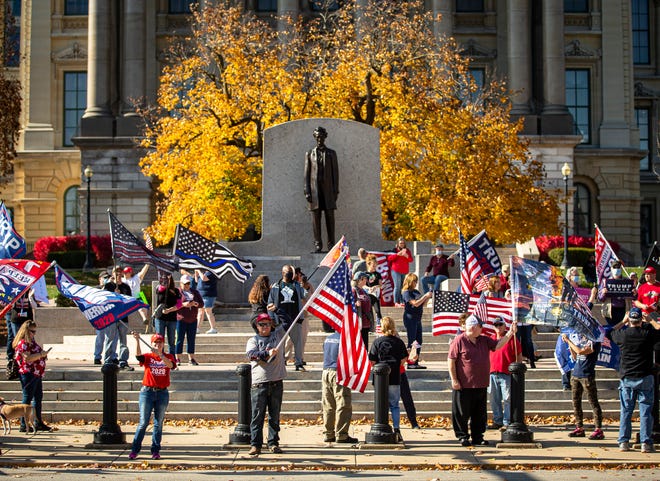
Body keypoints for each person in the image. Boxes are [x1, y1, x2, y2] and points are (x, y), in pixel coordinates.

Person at [448, 314, 517, 447]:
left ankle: (478, 436)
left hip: (481, 383)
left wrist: (510, 333)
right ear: (473, 327)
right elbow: (451, 360)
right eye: (480, 326)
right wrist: (454, 379)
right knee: (461, 413)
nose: (482, 329)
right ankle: (462, 436)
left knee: (479, 414)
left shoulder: (484, 340)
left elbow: (497, 346)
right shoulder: (459, 341)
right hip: (464, 385)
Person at [609, 307, 660, 452]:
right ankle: (645, 442)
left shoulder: (623, 335)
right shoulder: (647, 334)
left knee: (626, 411)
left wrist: (622, 321)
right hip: (645, 376)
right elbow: (659, 330)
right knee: (645, 412)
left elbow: (610, 332)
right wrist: (650, 320)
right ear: (640, 320)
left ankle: (624, 441)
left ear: (630, 320)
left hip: (627, 377)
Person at [246, 312, 291, 456]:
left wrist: (277, 309)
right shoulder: (253, 340)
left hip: (276, 381)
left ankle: (273, 443)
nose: (265, 327)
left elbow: (288, 320)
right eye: (261, 324)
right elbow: (251, 354)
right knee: (257, 416)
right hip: (259, 383)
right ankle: (255, 444)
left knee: (274, 415)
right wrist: (267, 353)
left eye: (267, 323)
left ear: (271, 324)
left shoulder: (278, 336)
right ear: (257, 326)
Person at [128, 332, 176, 460]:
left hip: (162, 393)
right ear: (151, 344)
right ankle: (135, 450)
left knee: (158, 423)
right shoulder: (148, 357)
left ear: (163, 344)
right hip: (147, 392)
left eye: (160, 342)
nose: (157, 344)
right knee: (143, 422)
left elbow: (171, 365)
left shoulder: (169, 356)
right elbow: (138, 357)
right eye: (155, 342)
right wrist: (137, 340)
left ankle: (155, 450)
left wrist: (160, 355)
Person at [368, 316, 409, 441]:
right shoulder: (398, 342)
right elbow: (403, 359)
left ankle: (382, 425)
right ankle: (396, 429)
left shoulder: (377, 342)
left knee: (381, 404)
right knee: (394, 405)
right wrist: (395, 365)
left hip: (380, 378)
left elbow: (372, 360)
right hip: (395, 377)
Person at [561, 332, 603, 440]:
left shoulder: (595, 341)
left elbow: (582, 351)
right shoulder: (581, 341)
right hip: (576, 374)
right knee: (576, 402)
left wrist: (569, 341)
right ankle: (579, 427)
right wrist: (570, 345)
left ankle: (598, 429)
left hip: (587, 375)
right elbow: (576, 356)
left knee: (593, 402)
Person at [304, 126, 339, 253]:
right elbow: (306, 174)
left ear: (325, 137)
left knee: (330, 217)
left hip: (328, 191)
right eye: (317, 136)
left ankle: (331, 245)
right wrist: (307, 190)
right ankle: (318, 244)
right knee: (316, 219)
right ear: (315, 137)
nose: (320, 139)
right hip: (315, 191)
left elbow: (335, 173)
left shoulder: (331, 153)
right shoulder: (309, 153)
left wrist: (335, 191)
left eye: (322, 136)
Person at [12, 320, 52, 432]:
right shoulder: (23, 343)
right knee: (27, 398)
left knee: (38, 398)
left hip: (36, 373)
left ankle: (37, 422)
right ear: (26, 331)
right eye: (32, 331)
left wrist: (42, 356)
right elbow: (27, 358)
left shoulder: (31, 342)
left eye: (35, 331)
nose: (34, 334)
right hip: (28, 373)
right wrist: (41, 355)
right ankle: (24, 424)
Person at [268, 265, 308, 371]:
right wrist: (272, 318)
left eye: (291, 272)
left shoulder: (296, 285)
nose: (289, 273)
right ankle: (281, 363)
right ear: (282, 273)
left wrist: (305, 286)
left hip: (295, 318)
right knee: (280, 343)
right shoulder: (276, 286)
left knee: (297, 343)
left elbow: (305, 296)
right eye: (287, 271)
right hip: (281, 320)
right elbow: (270, 303)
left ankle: (298, 363)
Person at [322, 329, 357, 444]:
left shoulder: (328, 338)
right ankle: (341, 434)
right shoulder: (346, 340)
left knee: (328, 405)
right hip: (339, 372)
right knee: (343, 403)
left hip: (326, 371)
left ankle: (328, 433)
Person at [488, 317, 522, 431]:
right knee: (494, 399)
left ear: (504, 326)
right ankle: (497, 420)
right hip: (492, 373)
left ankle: (507, 422)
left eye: (500, 324)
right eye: (496, 325)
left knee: (507, 398)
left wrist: (517, 368)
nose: (498, 327)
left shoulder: (512, 339)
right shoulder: (491, 340)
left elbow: (519, 355)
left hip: (506, 373)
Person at [103, 266, 134, 370]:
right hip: (112, 317)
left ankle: (123, 360)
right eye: (116, 273)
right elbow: (104, 300)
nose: (119, 276)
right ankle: (108, 359)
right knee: (110, 339)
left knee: (123, 340)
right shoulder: (108, 286)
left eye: (120, 273)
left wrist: (120, 296)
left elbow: (129, 301)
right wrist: (114, 295)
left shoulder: (126, 287)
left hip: (123, 317)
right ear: (113, 274)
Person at [401, 273, 432, 369]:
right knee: (412, 340)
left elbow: (422, 303)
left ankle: (415, 361)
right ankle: (410, 362)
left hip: (417, 318)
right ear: (410, 281)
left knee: (419, 341)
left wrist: (428, 297)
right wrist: (425, 296)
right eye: (414, 281)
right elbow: (415, 303)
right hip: (410, 318)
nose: (416, 283)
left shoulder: (416, 291)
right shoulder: (406, 292)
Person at [171, 275, 203, 365]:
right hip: (181, 318)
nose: (187, 285)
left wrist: (195, 304)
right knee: (179, 339)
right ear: (181, 283)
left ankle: (191, 358)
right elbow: (176, 305)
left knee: (191, 339)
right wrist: (184, 304)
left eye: (188, 283)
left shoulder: (195, 292)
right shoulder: (178, 292)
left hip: (192, 318)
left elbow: (201, 303)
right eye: (185, 284)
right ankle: (178, 358)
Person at [183, 269, 218, 334]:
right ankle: (197, 328)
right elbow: (196, 280)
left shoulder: (211, 273)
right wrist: (196, 273)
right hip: (201, 294)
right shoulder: (203, 273)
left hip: (208, 295)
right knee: (200, 311)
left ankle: (213, 328)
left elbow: (204, 278)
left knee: (208, 311)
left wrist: (199, 271)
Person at [598, 261, 632, 326]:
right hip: (610, 311)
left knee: (623, 328)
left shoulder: (627, 281)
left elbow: (634, 297)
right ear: (611, 269)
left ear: (621, 269)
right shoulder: (605, 281)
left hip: (624, 310)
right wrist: (603, 293)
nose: (616, 269)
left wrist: (634, 293)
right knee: (612, 328)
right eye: (614, 267)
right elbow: (600, 299)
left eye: (618, 267)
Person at [154, 273, 180, 355]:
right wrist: (166, 287)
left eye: (167, 279)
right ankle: (160, 357)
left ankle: (172, 359)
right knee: (159, 339)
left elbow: (179, 304)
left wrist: (169, 310)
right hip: (160, 318)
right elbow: (160, 289)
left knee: (171, 340)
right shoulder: (160, 288)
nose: (165, 280)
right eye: (163, 279)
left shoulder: (176, 291)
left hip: (171, 318)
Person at [388, 238, 413, 306]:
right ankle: (396, 302)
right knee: (397, 286)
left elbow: (411, 260)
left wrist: (406, 256)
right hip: (395, 270)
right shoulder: (395, 250)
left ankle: (402, 301)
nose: (402, 245)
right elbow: (389, 258)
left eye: (403, 243)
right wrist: (397, 254)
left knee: (403, 287)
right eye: (400, 243)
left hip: (404, 271)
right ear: (398, 244)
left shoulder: (407, 251)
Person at [93, 271, 110, 364]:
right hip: (99, 316)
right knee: (100, 337)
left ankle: (111, 356)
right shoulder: (95, 289)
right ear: (100, 279)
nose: (106, 279)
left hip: (109, 316)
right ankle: (97, 356)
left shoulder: (111, 288)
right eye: (105, 278)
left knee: (111, 337)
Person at [352, 271, 372, 348]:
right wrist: (355, 304)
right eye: (365, 279)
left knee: (365, 346)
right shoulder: (353, 291)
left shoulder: (363, 290)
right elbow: (348, 306)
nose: (366, 280)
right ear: (361, 279)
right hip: (358, 323)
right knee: (359, 346)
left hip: (365, 323)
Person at [365, 254, 383, 326]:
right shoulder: (365, 274)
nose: (374, 267)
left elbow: (381, 285)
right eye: (373, 265)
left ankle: (380, 325)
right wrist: (368, 288)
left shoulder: (377, 274)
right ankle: (370, 326)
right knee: (368, 311)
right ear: (369, 264)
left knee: (378, 310)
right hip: (367, 295)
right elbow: (363, 285)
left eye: (375, 266)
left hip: (375, 295)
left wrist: (375, 287)